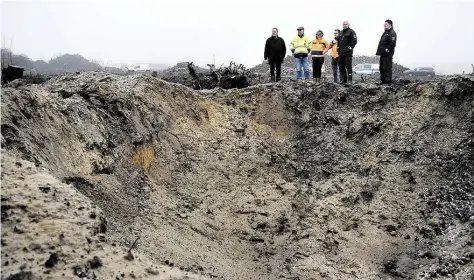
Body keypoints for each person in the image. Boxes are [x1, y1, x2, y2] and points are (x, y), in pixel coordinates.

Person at [376, 19, 397, 84]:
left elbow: (392, 43)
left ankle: (388, 81)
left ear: (390, 25)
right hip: (383, 53)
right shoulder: (385, 32)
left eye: (386, 24)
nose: (384, 25)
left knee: (387, 68)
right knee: (381, 68)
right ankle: (383, 81)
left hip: (388, 54)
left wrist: (387, 50)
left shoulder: (392, 33)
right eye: (384, 24)